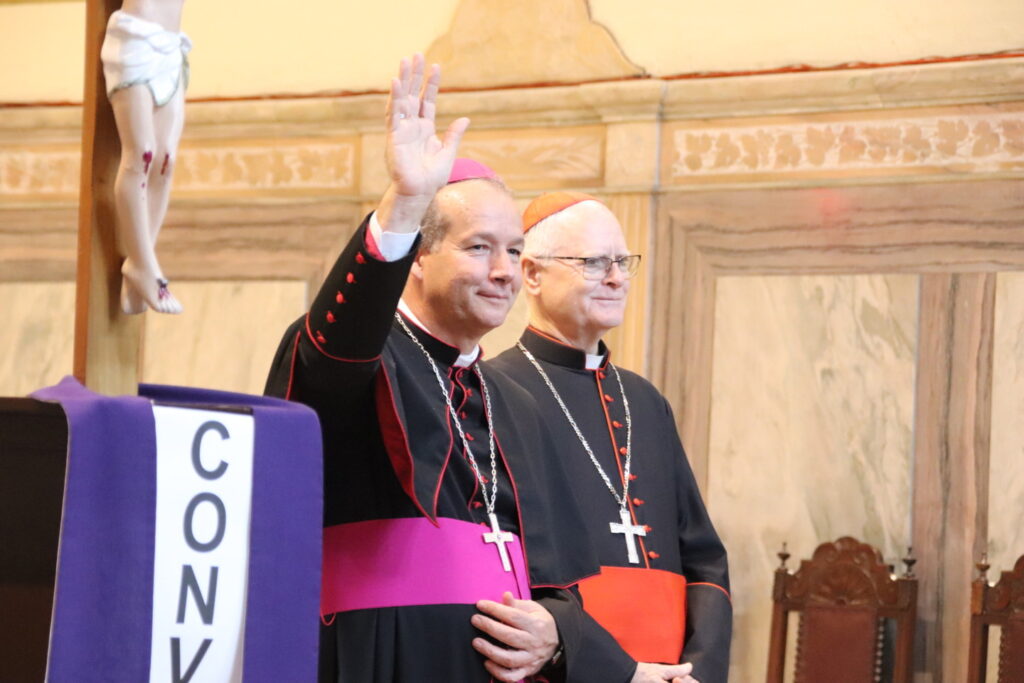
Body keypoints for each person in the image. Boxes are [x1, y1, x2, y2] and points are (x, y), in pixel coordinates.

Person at [265, 55, 697, 683]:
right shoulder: (366, 355)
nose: (503, 271)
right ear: (417, 256)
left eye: (514, 251)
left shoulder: (510, 396)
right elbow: (331, 356)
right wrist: (403, 206)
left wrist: (580, 649)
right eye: (478, 248)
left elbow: (553, 570)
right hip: (383, 654)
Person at [490, 192, 733, 683]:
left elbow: (704, 557)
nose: (618, 278)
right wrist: (616, 669)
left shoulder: (644, 400)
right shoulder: (492, 392)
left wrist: (699, 671)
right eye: (595, 262)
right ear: (532, 274)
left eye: (622, 261)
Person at [101, 0, 190, 314]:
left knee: (166, 159)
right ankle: (144, 267)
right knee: (141, 154)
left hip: (170, 45)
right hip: (135, 39)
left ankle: (141, 263)